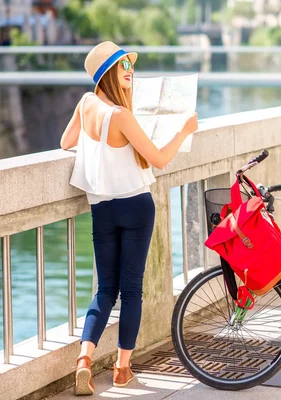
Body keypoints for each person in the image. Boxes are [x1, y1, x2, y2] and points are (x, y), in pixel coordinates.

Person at [60, 41, 198, 395]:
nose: (130, 71)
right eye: (123, 66)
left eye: (129, 64)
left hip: (101, 209)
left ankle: (84, 361)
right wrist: (184, 130)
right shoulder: (121, 116)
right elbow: (160, 159)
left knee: (106, 289)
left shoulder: (86, 103)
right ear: (109, 73)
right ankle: (122, 369)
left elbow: (66, 142)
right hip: (135, 207)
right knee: (131, 290)